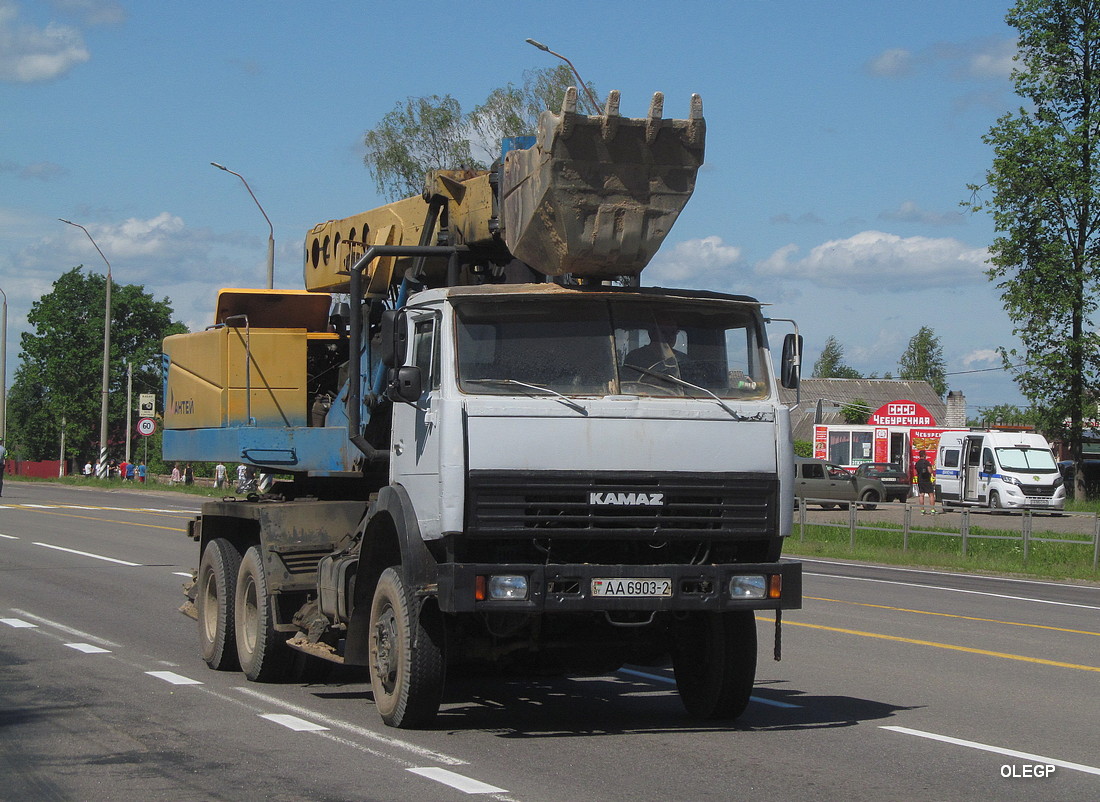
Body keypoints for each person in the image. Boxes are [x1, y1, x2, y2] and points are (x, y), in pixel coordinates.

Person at [622, 315, 687, 389]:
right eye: (663, 332)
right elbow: (627, 386)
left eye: (673, 332)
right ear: (652, 334)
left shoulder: (683, 359)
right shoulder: (635, 357)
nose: (669, 337)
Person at [914, 450, 936, 514]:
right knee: (931, 494)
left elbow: (916, 472)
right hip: (927, 480)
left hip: (920, 480)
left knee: (921, 495)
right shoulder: (926, 462)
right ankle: (932, 510)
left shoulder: (917, 463)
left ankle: (922, 510)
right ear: (924, 455)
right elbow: (930, 471)